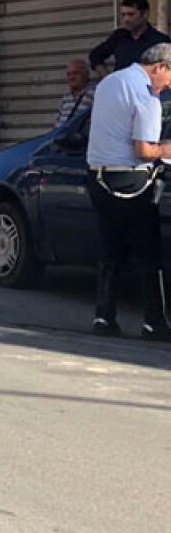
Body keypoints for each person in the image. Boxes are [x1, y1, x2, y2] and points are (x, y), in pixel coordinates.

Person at [85, 42, 171, 341]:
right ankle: (155, 322)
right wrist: (167, 148)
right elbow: (144, 149)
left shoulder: (112, 81)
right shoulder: (146, 96)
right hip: (131, 183)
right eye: (170, 79)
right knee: (150, 253)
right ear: (160, 67)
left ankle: (104, 316)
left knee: (112, 250)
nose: (168, 87)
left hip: (97, 178)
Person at [89, 0, 170, 78]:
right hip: (121, 89)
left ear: (145, 14)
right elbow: (95, 56)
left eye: (131, 14)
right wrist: (109, 79)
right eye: (123, 15)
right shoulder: (119, 37)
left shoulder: (159, 41)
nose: (126, 19)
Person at [54, 58, 95, 127]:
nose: (71, 77)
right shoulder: (66, 97)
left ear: (86, 74)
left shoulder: (95, 93)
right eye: (68, 74)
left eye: (75, 73)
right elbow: (57, 123)